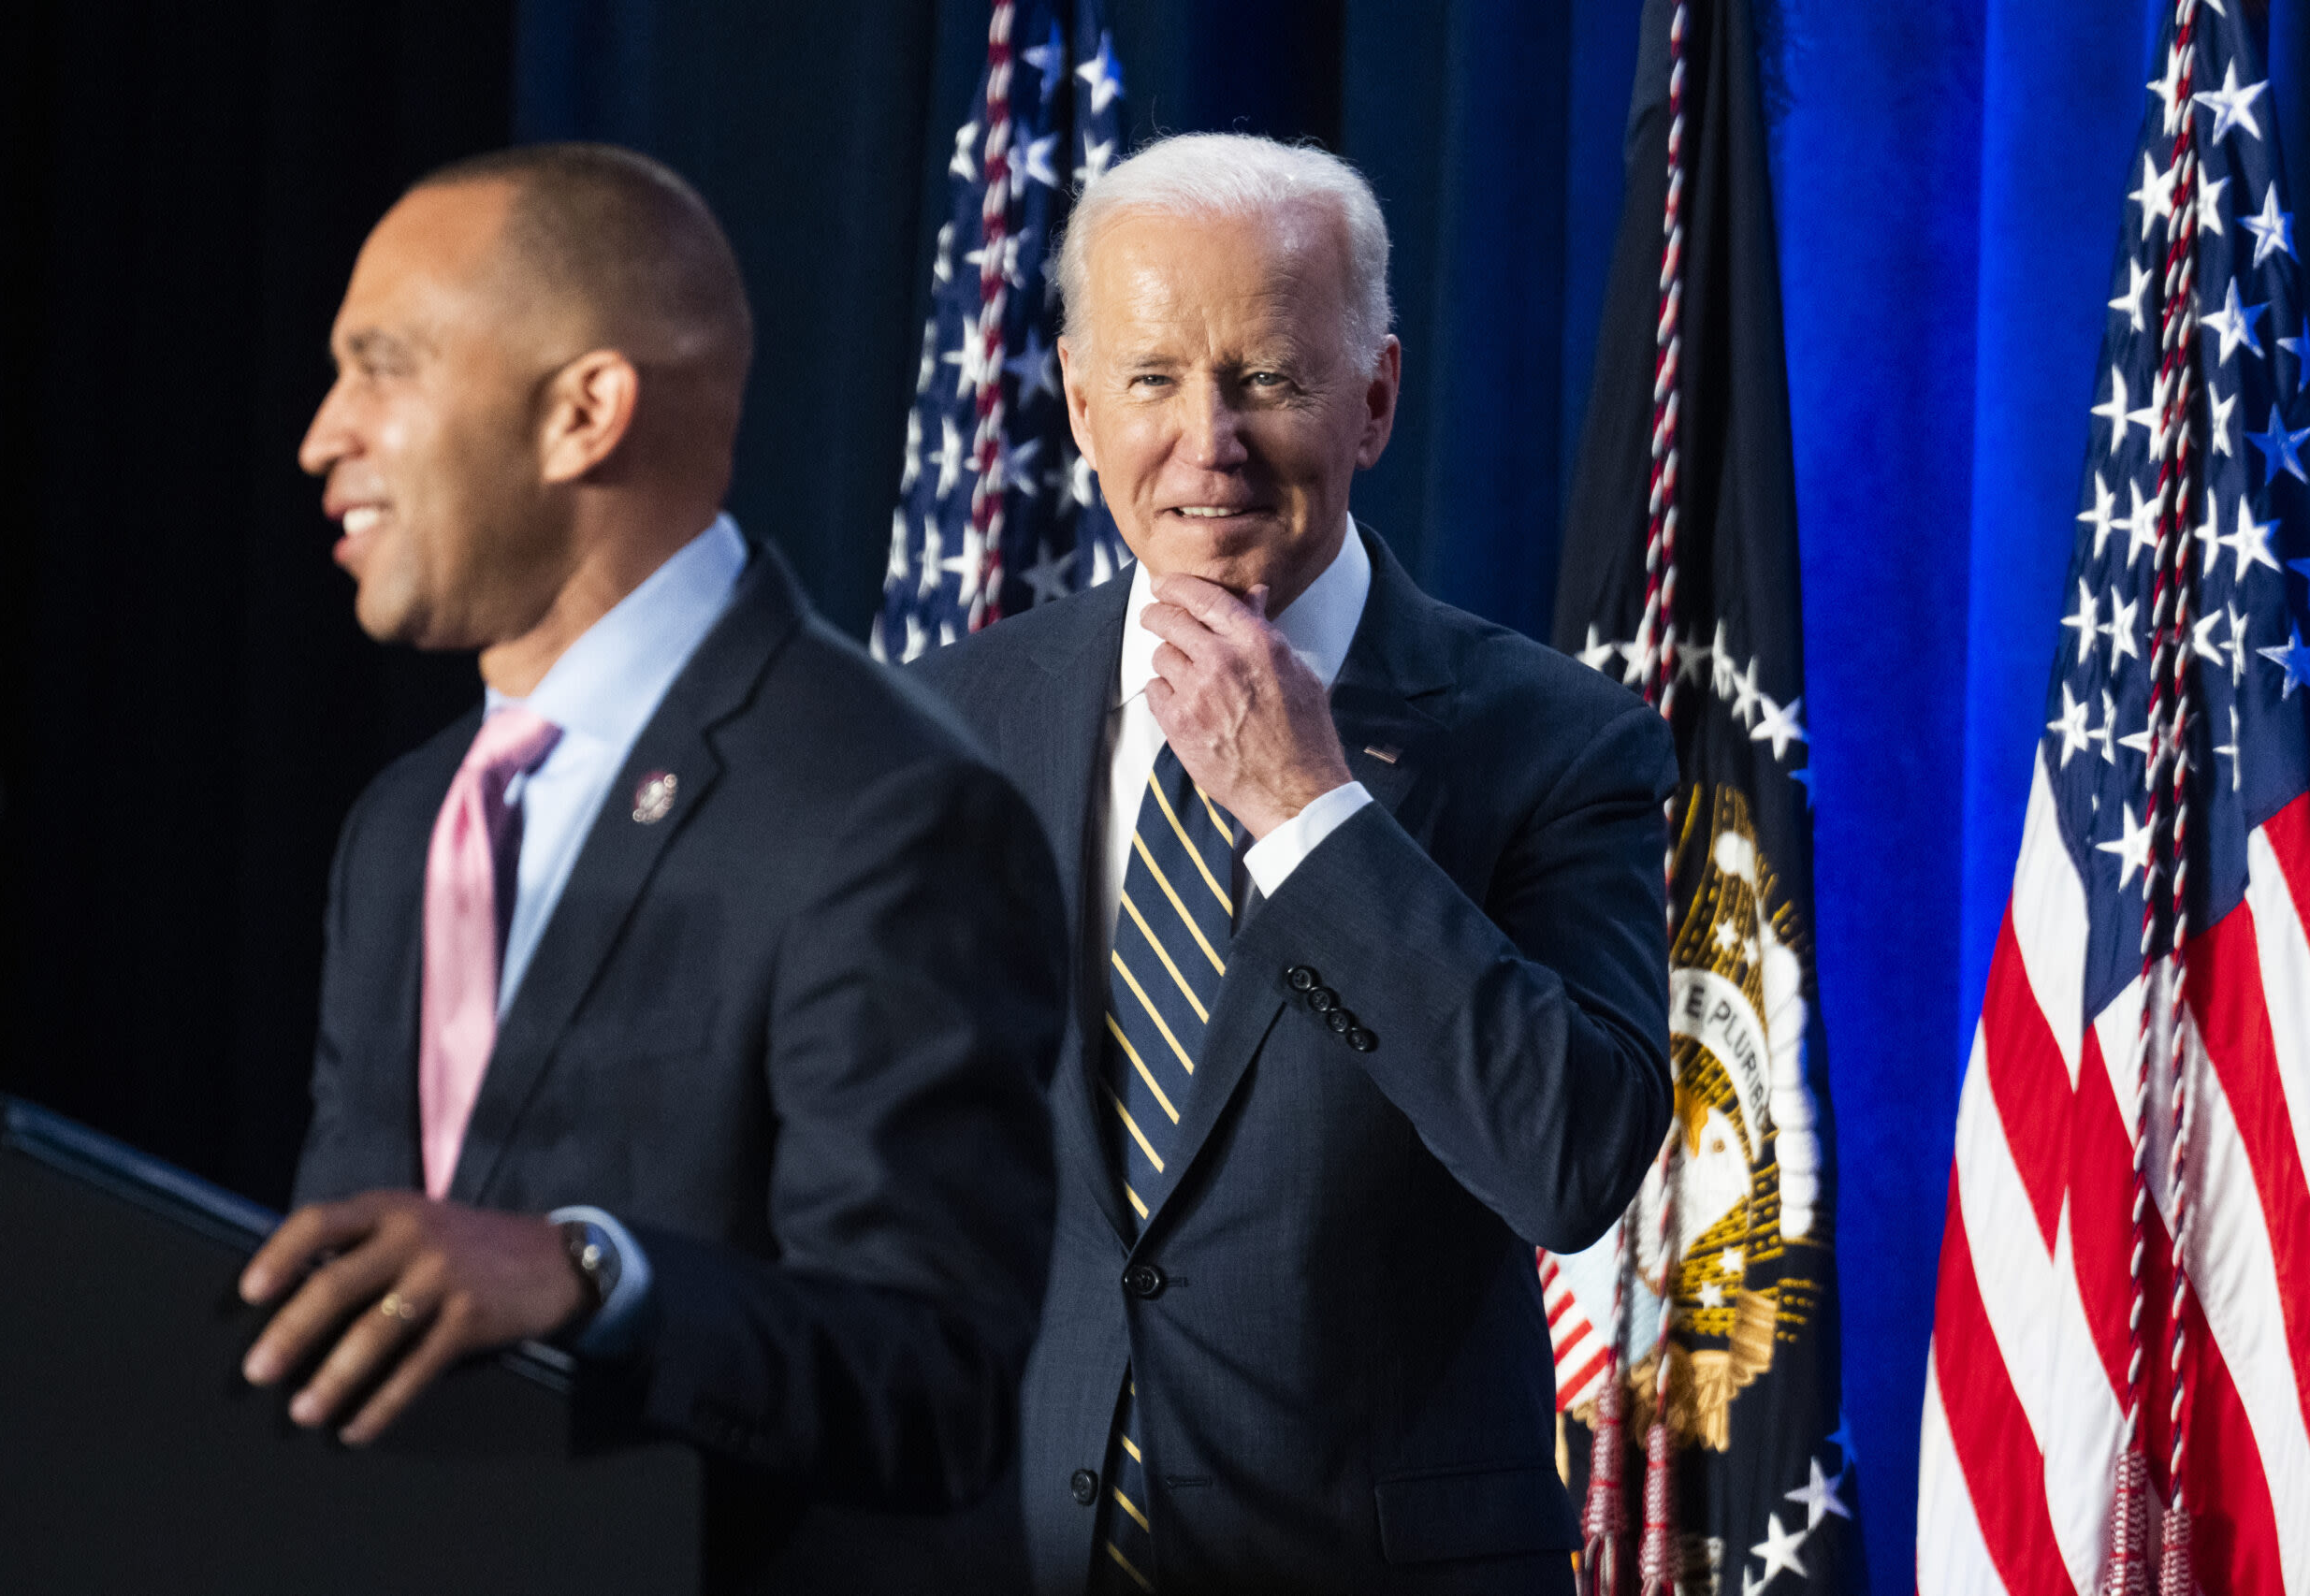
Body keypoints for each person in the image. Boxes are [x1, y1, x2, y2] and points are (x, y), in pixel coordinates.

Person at [243, 142, 1065, 1589]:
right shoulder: (401, 823)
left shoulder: (886, 804)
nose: (322, 435)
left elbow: (934, 1376)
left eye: (382, 368)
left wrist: (588, 1272)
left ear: (582, 412)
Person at [913, 133, 1676, 1594]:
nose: (1209, 439)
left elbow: (1572, 1157)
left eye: (1266, 377)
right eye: (1152, 380)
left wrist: (1310, 808)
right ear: (1079, 401)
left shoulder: (1560, 744)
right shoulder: (960, 719)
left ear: (1375, 397)